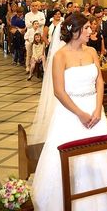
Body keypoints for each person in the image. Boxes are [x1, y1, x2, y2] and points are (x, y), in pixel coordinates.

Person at [31, 13, 107, 211]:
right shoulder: (60, 56)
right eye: (87, 28)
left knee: (104, 155)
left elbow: (99, 80)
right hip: (70, 113)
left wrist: (98, 108)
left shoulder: (92, 52)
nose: (91, 31)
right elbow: (58, 91)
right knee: (73, 158)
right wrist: (80, 113)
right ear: (75, 30)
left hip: (95, 110)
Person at [28, 10, 64, 144]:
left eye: (60, 14)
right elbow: (44, 36)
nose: (58, 16)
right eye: (57, 14)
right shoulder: (49, 26)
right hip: (52, 46)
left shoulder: (62, 24)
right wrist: (49, 43)